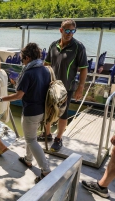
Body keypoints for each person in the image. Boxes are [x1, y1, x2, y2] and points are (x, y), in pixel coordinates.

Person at [0, 43, 51, 183]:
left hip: (31, 111)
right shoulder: (45, 69)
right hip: (42, 110)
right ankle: (28, 160)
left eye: (22, 59)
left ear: (28, 58)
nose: (22, 61)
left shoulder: (28, 72)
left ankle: (46, 170)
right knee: (31, 137)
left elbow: (18, 96)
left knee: (30, 140)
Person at [38, 19, 88, 152]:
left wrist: (80, 88)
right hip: (51, 85)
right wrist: (41, 79)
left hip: (67, 87)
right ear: (61, 30)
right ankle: (47, 134)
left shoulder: (79, 47)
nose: (70, 33)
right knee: (47, 110)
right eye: (67, 30)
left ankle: (58, 138)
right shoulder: (53, 45)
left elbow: (84, 68)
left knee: (63, 114)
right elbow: (47, 64)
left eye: (73, 31)